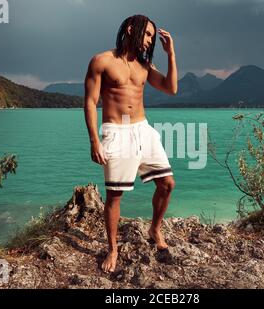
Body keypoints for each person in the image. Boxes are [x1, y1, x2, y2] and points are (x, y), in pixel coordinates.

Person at [84, 14, 178, 273]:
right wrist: (94, 140)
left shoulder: (145, 66)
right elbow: (91, 102)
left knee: (167, 183)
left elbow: (171, 89)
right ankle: (112, 248)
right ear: (130, 29)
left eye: (151, 36)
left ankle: (155, 229)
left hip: (143, 130)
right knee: (115, 195)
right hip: (116, 131)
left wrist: (170, 54)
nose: (149, 40)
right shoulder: (102, 61)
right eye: (147, 34)